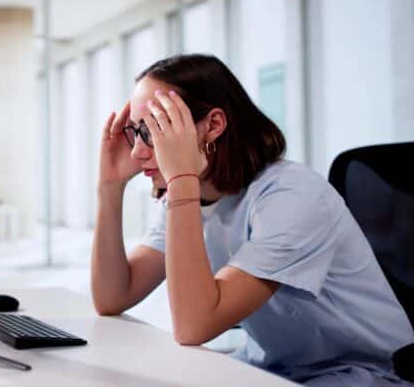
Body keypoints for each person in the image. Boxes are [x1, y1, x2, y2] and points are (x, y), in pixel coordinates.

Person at [91, 54, 414, 386]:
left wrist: (181, 181)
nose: (137, 152)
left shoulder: (292, 197)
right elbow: (113, 296)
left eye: (155, 129)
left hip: (361, 372)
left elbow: (193, 326)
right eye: (136, 132)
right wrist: (110, 187)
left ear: (213, 125)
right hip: (273, 368)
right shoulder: (193, 195)